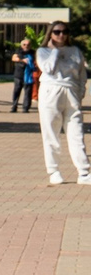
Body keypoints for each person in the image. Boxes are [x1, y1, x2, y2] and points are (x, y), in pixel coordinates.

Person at [40, 22, 85, 183]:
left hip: (71, 92)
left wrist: (80, 94)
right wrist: (54, 51)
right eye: (57, 32)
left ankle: (84, 171)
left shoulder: (75, 51)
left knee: (77, 132)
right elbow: (49, 69)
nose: (61, 35)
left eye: (65, 31)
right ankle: (54, 171)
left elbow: (81, 75)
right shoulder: (43, 51)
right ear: (50, 34)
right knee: (51, 132)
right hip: (51, 92)